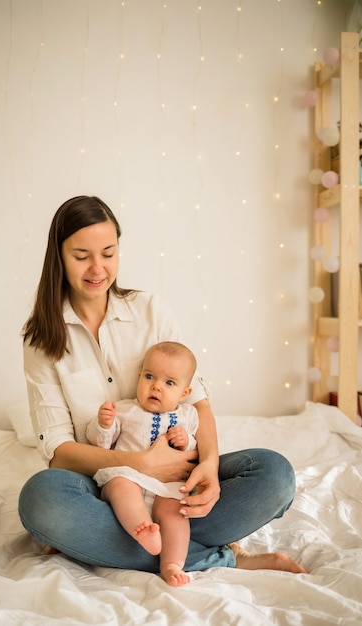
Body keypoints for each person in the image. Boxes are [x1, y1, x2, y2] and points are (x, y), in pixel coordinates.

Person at [18, 195, 307, 578]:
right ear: (58, 256)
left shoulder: (150, 310)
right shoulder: (41, 339)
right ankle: (215, 556)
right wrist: (137, 463)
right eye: (81, 255)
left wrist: (206, 464)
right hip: (105, 490)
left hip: (177, 485)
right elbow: (59, 452)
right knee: (41, 499)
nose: (97, 268)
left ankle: (110, 542)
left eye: (108, 252)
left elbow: (198, 399)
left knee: (275, 473)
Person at [87, 341, 202, 586]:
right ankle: (144, 528)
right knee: (120, 486)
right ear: (139, 377)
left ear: (184, 393)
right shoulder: (126, 410)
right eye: (149, 376)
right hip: (129, 477)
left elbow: (194, 450)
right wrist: (104, 424)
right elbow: (102, 444)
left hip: (166, 488)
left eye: (169, 382)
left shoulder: (188, 416)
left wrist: (186, 441)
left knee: (176, 512)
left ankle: (171, 564)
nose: (156, 387)